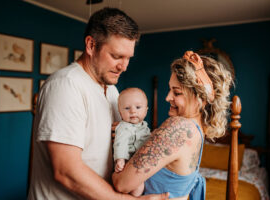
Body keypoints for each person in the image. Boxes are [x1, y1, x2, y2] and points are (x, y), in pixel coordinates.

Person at [28, 7, 168, 200]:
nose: (124, 67)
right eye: (117, 56)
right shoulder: (66, 85)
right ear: (91, 45)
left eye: (128, 58)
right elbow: (66, 172)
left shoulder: (111, 90)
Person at [113, 51, 233, 199]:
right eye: (170, 90)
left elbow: (121, 183)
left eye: (176, 93)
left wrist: (112, 172)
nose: (168, 97)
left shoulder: (179, 127)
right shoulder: (198, 130)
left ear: (200, 98)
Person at [114, 88, 151, 196]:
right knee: (137, 187)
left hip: (141, 163)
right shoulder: (123, 127)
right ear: (120, 112)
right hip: (127, 163)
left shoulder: (145, 127)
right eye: (127, 108)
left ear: (146, 110)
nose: (133, 111)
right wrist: (120, 159)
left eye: (138, 107)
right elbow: (120, 143)